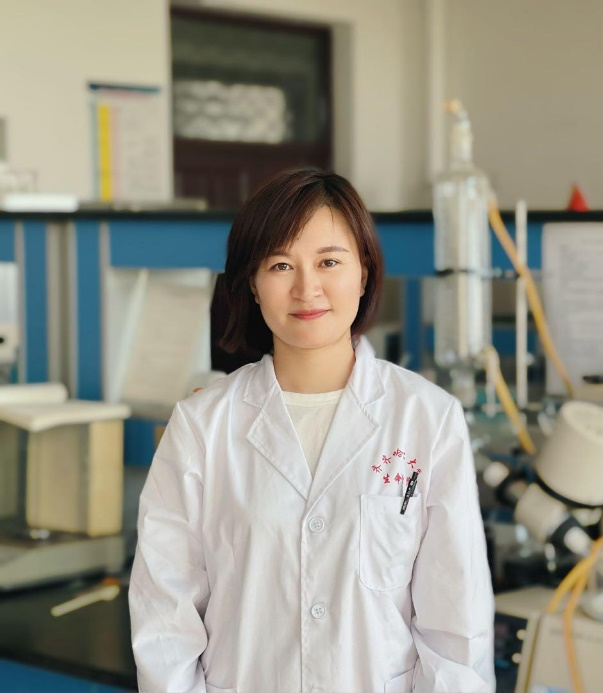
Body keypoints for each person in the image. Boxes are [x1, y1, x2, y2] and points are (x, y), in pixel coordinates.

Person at [129, 168, 495, 693]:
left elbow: (456, 629)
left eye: (329, 261)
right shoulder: (202, 426)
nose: (307, 288)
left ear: (364, 272)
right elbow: (164, 616)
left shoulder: (427, 419)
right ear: (252, 284)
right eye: (280, 265)